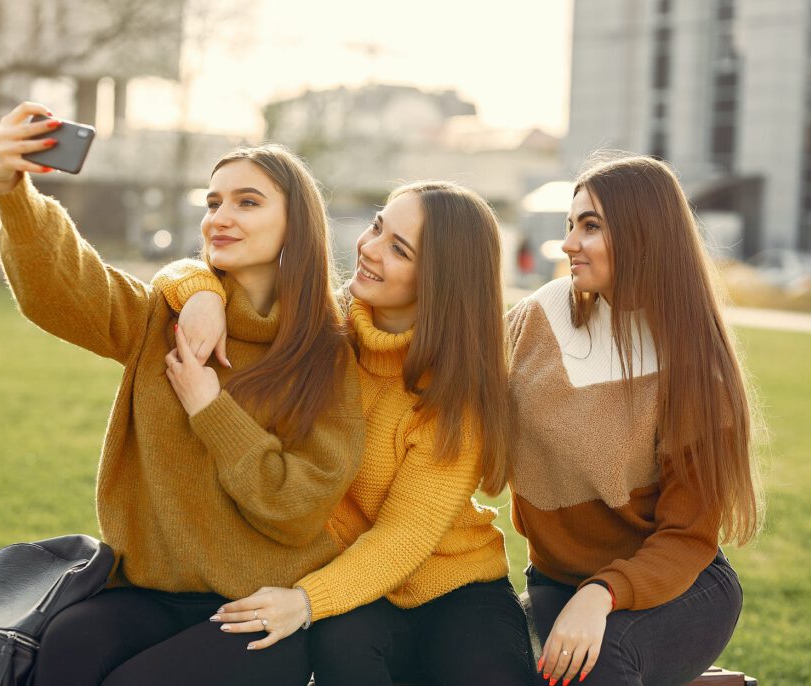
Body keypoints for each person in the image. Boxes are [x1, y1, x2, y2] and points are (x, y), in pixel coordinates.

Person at [0, 102, 365, 686]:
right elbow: (63, 287)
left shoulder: (327, 351)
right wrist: (12, 192)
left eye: (247, 201)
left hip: (257, 608)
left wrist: (212, 410)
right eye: (213, 202)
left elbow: (298, 508)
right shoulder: (162, 317)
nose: (220, 217)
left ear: (297, 224)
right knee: (64, 652)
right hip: (146, 591)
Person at [155, 181, 535, 684]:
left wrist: (306, 602)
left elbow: (403, 537)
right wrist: (201, 292)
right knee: (343, 651)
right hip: (351, 582)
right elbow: (199, 272)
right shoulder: (319, 328)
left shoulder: (457, 393)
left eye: (399, 249)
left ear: (442, 280)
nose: (369, 248)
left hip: (456, 583)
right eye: (378, 225)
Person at [507, 154, 762, 686]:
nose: (570, 243)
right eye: (570, 225)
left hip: (674, 586)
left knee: (595, 668)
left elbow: (687, 538)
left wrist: (602, 594)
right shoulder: (543, 316)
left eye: (591, 226)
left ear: (645, 234)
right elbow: (452, 378)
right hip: (558, 581)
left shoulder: (696, 368)